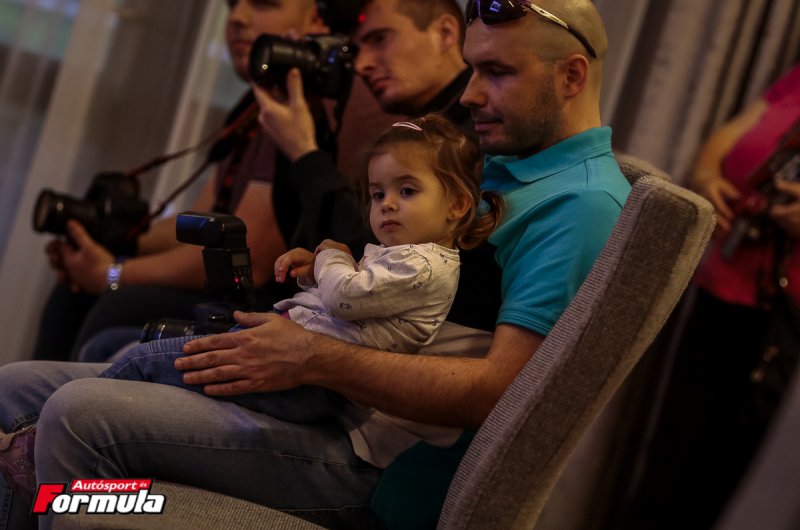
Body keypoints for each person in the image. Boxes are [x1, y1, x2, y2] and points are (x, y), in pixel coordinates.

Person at [0, 1, 628, 529]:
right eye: (472, 69)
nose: (470, 94)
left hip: (369, 460)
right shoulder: (502, 158)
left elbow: (496, 394)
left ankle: (80, 503)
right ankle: (54, 500)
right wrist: (330, 268)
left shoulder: (579, 205)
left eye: (497, 72)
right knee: (14, 388)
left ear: (571, 76)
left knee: (80, 418)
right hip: (326, 396)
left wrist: (310, 356)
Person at [98, 115, 503, 429]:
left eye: (407, 190)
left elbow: (344, 297)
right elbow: (355, 298)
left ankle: (72, 421)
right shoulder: (403, 256)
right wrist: (315, 272)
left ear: (458, 205)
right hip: (298, 369)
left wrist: (330, 255)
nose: (387, 204)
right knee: (139, 355)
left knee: (143, 362)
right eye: (378, 193)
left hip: (309, 386)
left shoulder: (423, 265)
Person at [33, 0, 367, 361]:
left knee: (118, 304)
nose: (237, 18)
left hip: (265, 300)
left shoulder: (303, 107)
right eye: (232, 4)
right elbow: (200, 221)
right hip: (231, 287)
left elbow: (249, 253)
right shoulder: (254, 103)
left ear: (317, 19)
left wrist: (113, 274)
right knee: (74, 292)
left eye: (262, 3)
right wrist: (112, 242)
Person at [621, 63, 800, 530]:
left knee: (714, 474)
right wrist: (704, 175)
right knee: (667, 454)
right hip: (722, 288)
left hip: (782, 317)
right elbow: (730, 135)